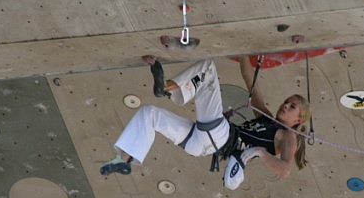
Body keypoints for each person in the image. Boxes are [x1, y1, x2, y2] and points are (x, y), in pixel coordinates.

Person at [100, 55, 312, 189]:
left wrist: (261, 153)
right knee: (149, 114)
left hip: (220, 137)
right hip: (201, 144)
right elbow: (251, 81)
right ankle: (123, 159)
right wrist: (244, 50)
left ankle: (165, 87)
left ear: (299, 119)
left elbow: (285, 170)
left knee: (208, 68)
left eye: (292, 106)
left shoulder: (289, 136)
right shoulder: (267, 118)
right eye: (286, 101)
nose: (285, 105)